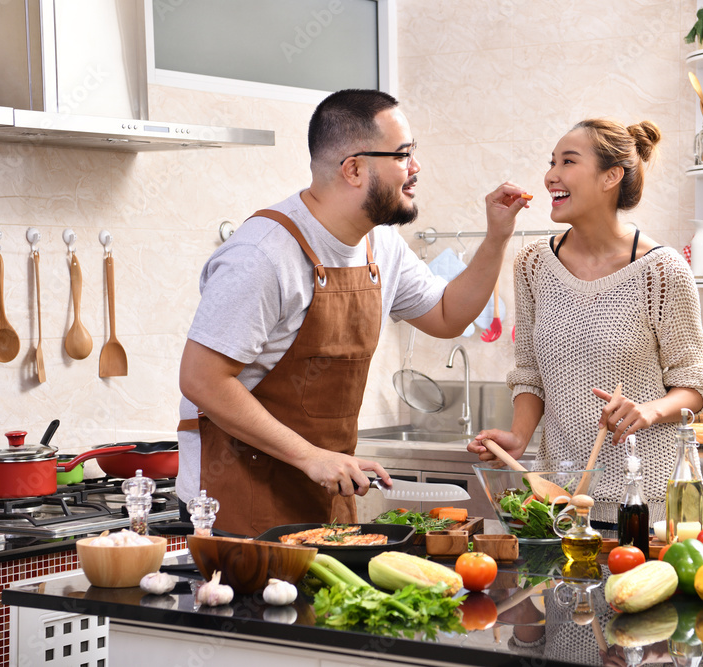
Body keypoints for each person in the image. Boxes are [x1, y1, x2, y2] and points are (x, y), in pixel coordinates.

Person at [177, 89, 528, 536]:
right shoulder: (263, 254)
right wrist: (311, 456)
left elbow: (447, 315)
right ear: (354, 168)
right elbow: (202, 379)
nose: (415, 168)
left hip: (323, 490)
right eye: (403, 155)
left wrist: (496, 237)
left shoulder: (380, 245)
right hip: (238, 498)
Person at [469, 118, 703, 525]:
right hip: (559, 500)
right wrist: (518, 437)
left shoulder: (661, 270)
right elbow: (531, 372)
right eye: (552, 163)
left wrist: (650, 411)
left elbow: (694, 385)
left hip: (642, 500)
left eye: (568, 162)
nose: (552, 175)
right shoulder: (534, 264)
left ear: (611, 177)